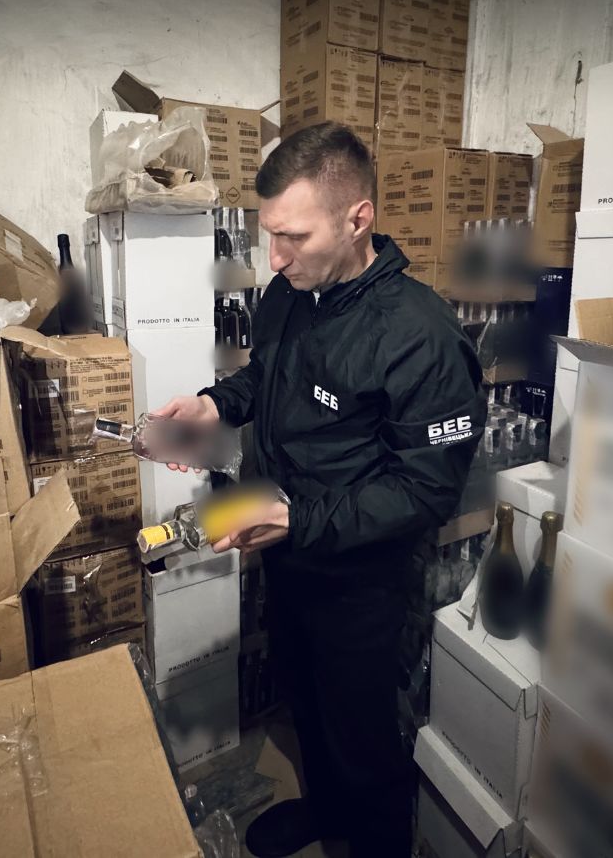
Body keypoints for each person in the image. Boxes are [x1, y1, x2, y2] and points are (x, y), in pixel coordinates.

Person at [156, 122, 485, 857]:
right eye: (268, 234)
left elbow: (425, 489)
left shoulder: (417, 336)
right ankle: (327, 814)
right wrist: (215, 405)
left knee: (362, 736)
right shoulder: (287, 294)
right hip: (288, 548)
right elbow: (267, 377)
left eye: (293, 237)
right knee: (303, 697)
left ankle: (368, 837)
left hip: (360, 580)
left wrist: (300, 518)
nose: (274, 258)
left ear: (357, 218)